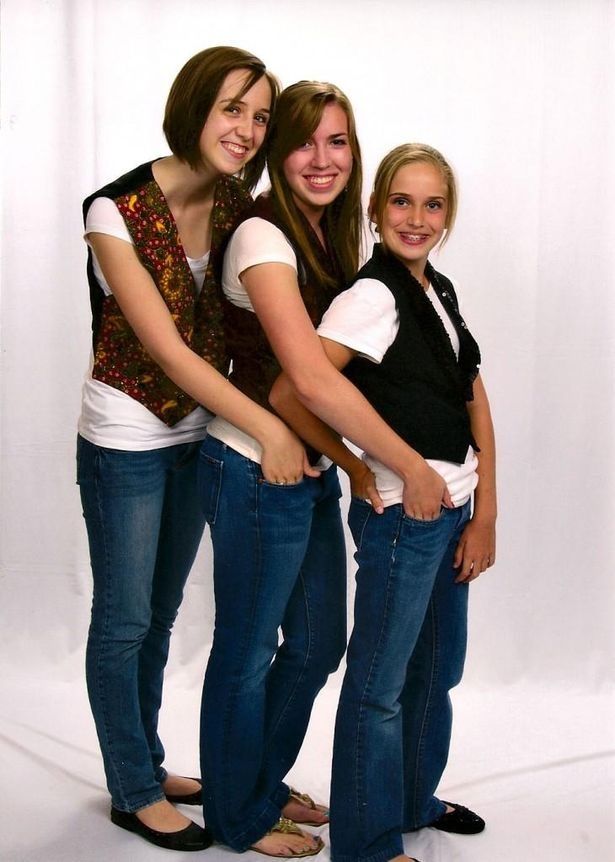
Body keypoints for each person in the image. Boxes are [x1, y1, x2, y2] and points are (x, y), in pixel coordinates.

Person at [77, 46, 309, 852]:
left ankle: (144, 755)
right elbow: (171, 353)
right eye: (231, 109)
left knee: (164, 614)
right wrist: (272, 425)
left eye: (259, 116)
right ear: (193, 107)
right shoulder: (114, 210)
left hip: (196, 436)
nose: (247, 130)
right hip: (128, 436)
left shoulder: (241, 199)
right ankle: (132, 788)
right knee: (124, 619)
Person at [270, 143, 497, 862]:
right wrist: (358, 469)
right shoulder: (371, 296)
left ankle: (408, 802)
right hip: (406, 518)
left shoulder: (438, 288)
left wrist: (485, 510)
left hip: (453, 512)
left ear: (447, 216)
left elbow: (471, 396)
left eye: (432, 204)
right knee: (379, 685)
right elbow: (291, 390)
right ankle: (365, 843)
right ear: (374, 210)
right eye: (401, 201)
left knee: (437, 673)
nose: (416, 217)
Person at [197, 80, 377, 859]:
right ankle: (235, 817)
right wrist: (369, 465)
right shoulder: (263, 235)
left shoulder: (329, 237)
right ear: (276, 151)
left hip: (303, 471)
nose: (321, 158)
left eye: (336, 141)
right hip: (249, 468)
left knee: (315, 646)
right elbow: (305, 378)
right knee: (245, 654)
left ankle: (259, 784)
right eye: (303, 140)